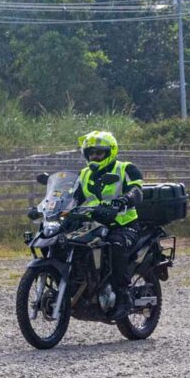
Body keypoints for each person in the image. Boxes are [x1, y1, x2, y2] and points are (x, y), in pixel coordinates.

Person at [73, 131, 144, 320]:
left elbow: (137, 191)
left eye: (99, 153)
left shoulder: (126, 169)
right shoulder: (84, 174)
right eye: (91, 153)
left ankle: (123, 295)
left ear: (110, 152)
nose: (94, 157)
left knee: (115, 246)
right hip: (94, 223)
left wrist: (123, 201)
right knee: (66, 241)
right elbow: (74, 198)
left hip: (123, 224)